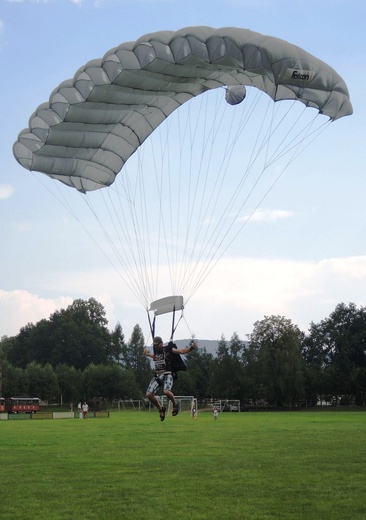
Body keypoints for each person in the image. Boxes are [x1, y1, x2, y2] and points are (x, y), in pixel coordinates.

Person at [144, 336, 197, 421]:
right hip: (158, 375)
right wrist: (147, 354)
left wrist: (191, 348)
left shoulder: (168, 349)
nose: (155, 347)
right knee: (148, 394)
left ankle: (175, 404)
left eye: (157, 345)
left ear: (161, 343)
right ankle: (161, 409)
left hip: (167, 374)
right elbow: (155, 357)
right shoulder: (157, 351)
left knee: (166, 391)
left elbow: (181, 351)